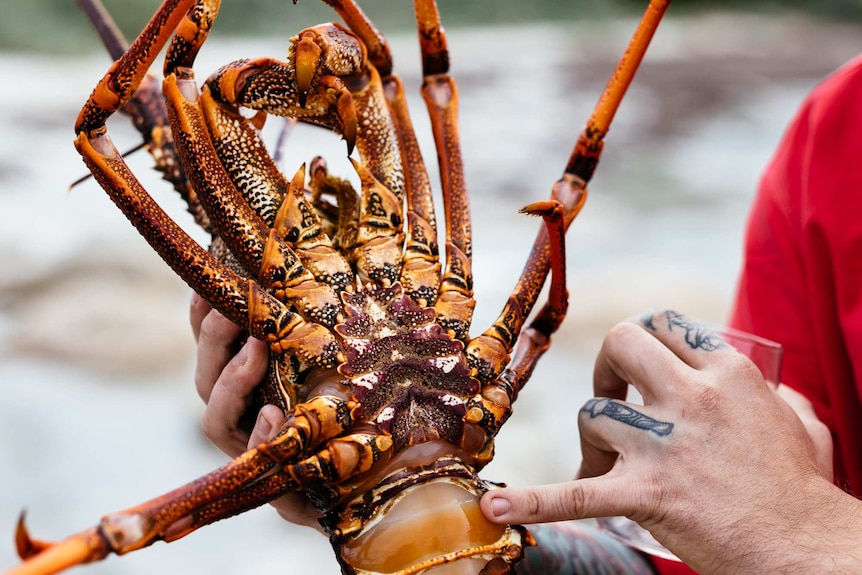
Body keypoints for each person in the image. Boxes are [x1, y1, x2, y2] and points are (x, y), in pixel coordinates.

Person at [190, 54, 862, 574]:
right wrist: (402, 499)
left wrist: (804, 528)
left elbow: (781, 532)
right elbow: (721, 547)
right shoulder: (829, 138)